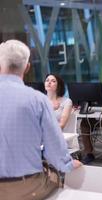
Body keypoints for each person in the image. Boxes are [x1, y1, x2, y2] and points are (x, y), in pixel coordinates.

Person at [0, 39, 82, 200]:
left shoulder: (58, 101)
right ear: (27, 67)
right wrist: (68, 164)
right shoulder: (37, 100)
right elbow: (54, 150)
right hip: (26, 186)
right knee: (59, 180)